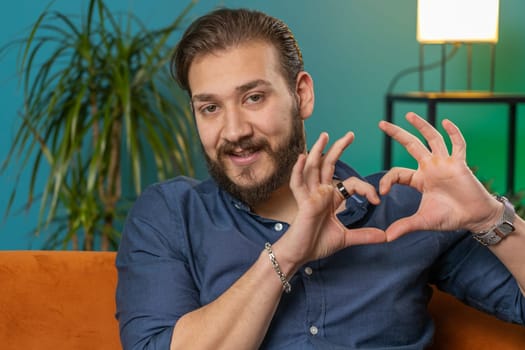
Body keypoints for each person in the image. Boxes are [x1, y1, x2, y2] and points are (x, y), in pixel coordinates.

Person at [115, 7, 525, 349]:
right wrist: (288, 253)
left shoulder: (406, 209)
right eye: (210, 108)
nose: (234, 129)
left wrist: (490, 218)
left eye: (254, 97)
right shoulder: (170, 215)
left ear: (302, 95)